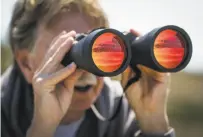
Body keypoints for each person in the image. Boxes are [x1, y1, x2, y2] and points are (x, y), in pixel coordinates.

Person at [1, 0, 175, 137]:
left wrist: (153, 121)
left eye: (102, 47)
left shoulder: (120, 110)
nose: (88, 69)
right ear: (26, 63)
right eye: (71, 51)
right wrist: (42, 128)